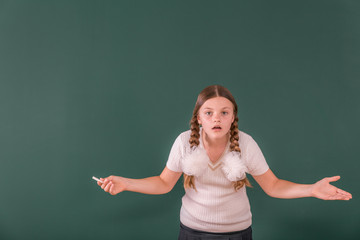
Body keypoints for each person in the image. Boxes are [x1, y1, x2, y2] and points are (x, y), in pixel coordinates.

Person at [97, 85, 352, 240]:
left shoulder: (247, 144)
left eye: (224, 112)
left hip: (238, 234)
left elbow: (273, 186)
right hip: (192, 233)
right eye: (208, 113)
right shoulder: (184, 142)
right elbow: (164, 183)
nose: (216, 118)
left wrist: (312, 189)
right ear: (199, 118)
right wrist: (125, 183)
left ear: (233, 118)